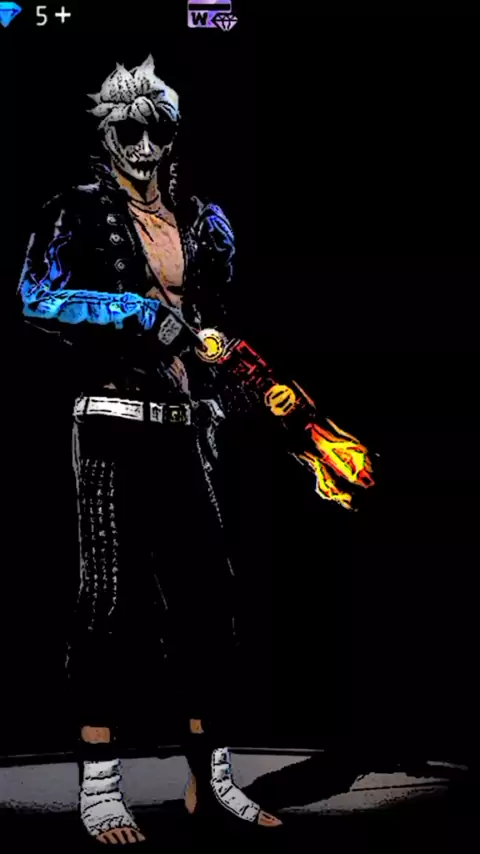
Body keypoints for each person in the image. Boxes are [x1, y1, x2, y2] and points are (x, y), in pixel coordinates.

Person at [18, 55, 283, 844]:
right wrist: (133, 313)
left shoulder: (203, 220)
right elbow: (36, 297)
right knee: (108, 604)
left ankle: (213, 780)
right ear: (106, 133)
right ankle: (100, 788)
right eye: (127, 130)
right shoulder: (74, 209)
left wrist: (240, 379)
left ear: (173, 135)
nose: (142, 145)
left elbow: (213, 324)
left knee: (209, 603)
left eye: (156, 130)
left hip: (187, 427)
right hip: (110, 421)